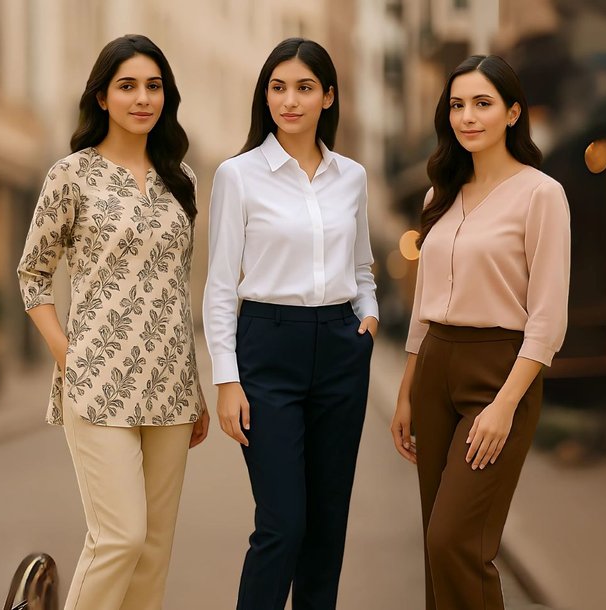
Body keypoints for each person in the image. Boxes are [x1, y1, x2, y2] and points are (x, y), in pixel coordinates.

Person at [16, 34, 210, 610]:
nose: (142, 98)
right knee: (119, 538)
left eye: (153, 87)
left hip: (171, 386)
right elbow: (33, 276)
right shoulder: (70, 175)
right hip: (96, 380)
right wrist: (68, 355)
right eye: (127, 86)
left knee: (152, 553)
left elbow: (176, 292)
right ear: (102, 97)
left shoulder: (184, 182)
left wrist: (195, 386)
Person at [390, 54, 571, 610]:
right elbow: (425, 305)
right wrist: (405, 391)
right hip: (435, 367)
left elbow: (547, 318)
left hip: (499, 370)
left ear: (513, 112)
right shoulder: (437, 196)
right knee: (434, 549)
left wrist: (504, 405)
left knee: (457, 543)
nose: (467, 116)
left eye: (483, 103)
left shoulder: (541, 194)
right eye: (457, 105)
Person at [203, 37, 378, 610]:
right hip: (267, 348)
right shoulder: (238, 175)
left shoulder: (351, 177)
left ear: (328, 96)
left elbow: (362, 265)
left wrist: (367, 317)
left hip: (338, 347)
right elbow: (222, 284)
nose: (290, 101)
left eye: (304, 88)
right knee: (283, 524)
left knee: (327, 528)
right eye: (278, 87)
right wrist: (227, 378)